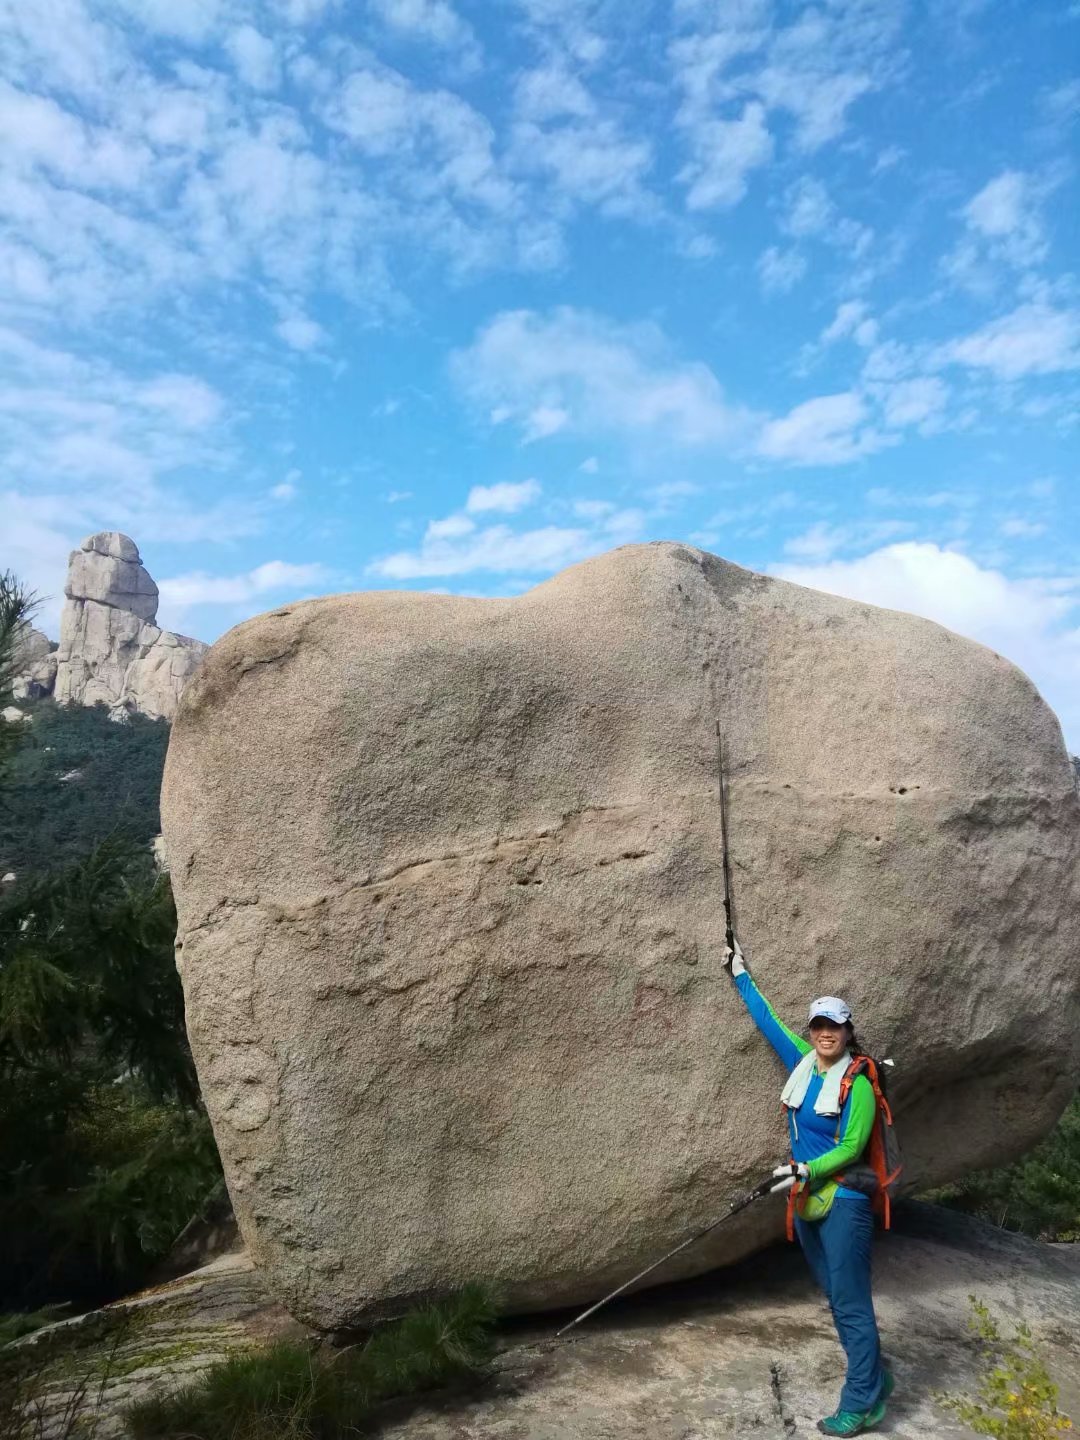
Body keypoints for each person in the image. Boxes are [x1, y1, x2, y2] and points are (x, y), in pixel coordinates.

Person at [724, 937, 894, 1437]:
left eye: (834, 1026)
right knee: (836, 1297)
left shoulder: (857, 1084)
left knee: (850, 1302)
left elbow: (851, 1147)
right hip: (805, 1200)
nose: (825, 1034)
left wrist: (803, 1171)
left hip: (842, 1200)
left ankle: (861, 1401)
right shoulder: (802, 1063)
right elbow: (769, 1021)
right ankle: (876, 1382)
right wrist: (740, 974)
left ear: (847, 1031)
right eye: (819, 1025)